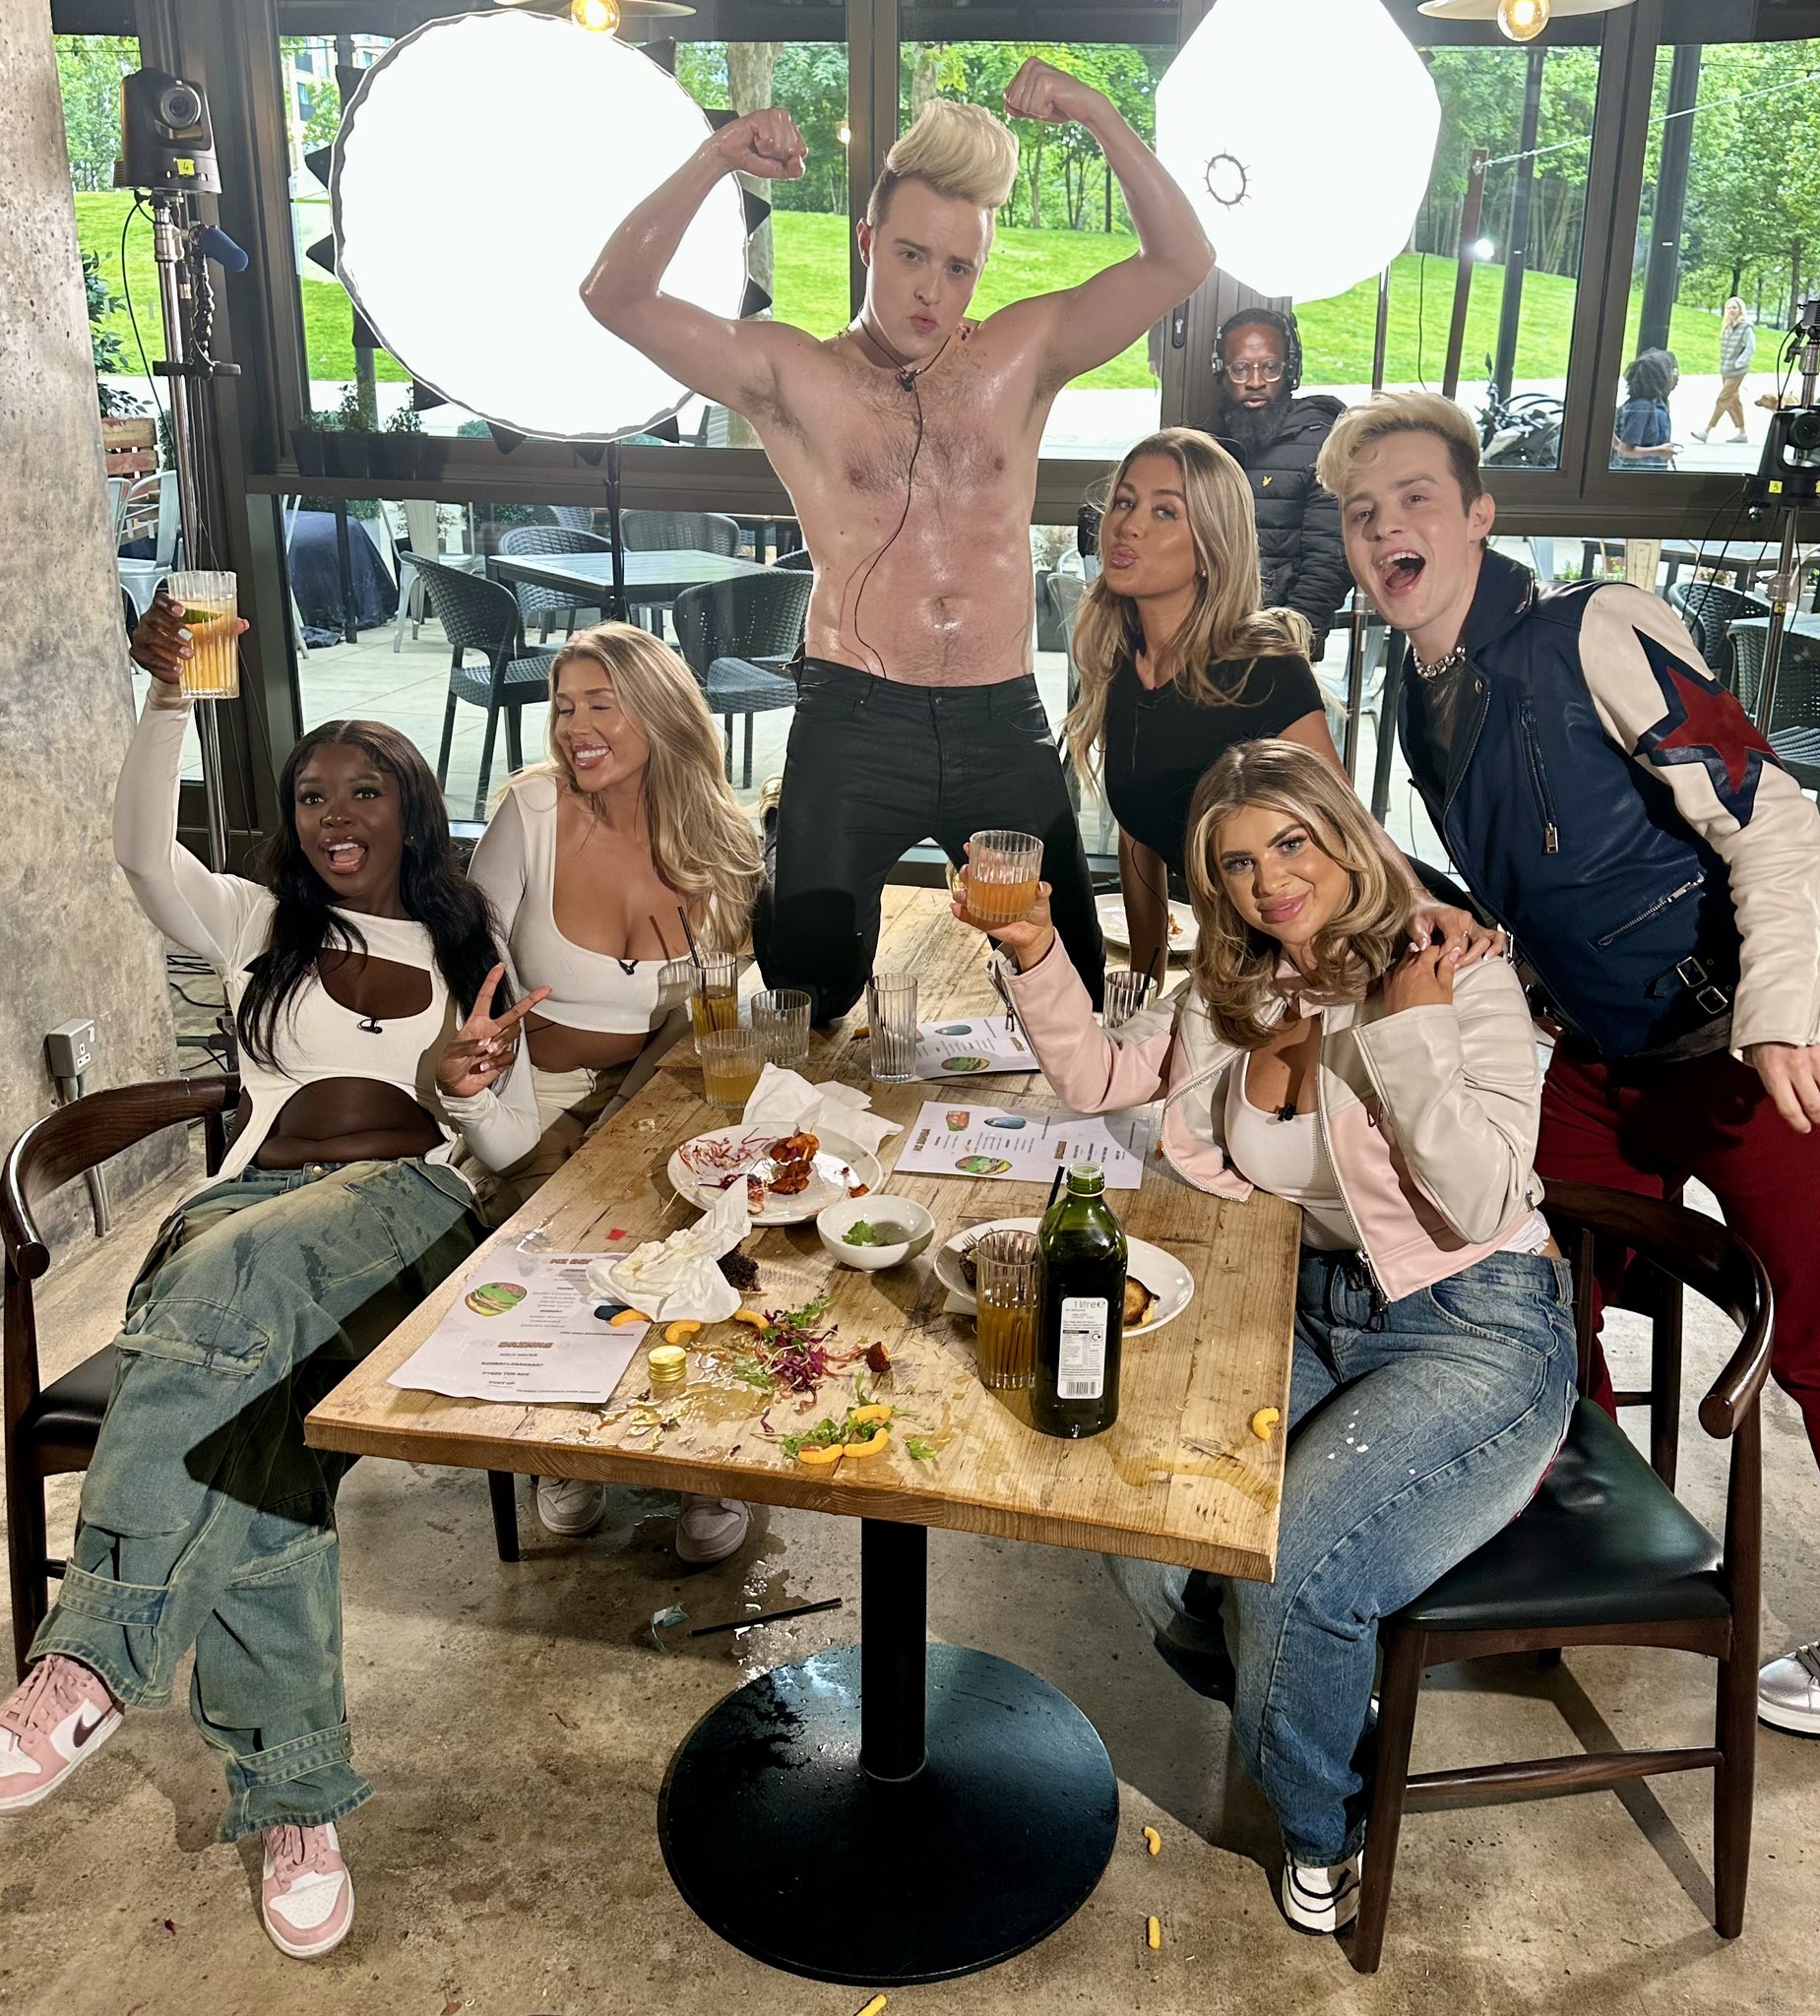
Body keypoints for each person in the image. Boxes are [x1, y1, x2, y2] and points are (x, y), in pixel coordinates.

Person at [1317, 390, 1820, 1740]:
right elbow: (1549, 865)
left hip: (1744, 1048)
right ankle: (1556, 1539)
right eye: (1360, 512)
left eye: (1413, 498)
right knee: (1523, 1281)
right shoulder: (1420, 689)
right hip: (1600, 1051)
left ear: (1478, 514)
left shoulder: (1597, 629)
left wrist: (1780, 1003)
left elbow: (1774, 822)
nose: (1386, 528)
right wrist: (1473, 929)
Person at [0, 596, 544, 1956]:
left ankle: (89, 1652)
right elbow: (141, 851)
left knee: (241, 1273)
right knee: (259, 1447)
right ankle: (298, 1801)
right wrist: (168, 698)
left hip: (407, 1224)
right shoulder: (254, 924)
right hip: (243, 1216)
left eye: (365, 790)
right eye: (310, 795)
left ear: (412, 810)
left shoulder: (466, 950)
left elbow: (511, 1145)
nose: (333, 814)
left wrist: (465, 1085)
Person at [968, 738, 1575, 1936]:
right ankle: (1295, 1685)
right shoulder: (1232, 992)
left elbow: (1481, 1201)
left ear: (1346, 835)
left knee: (1295, 1571)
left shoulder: (1454, 971)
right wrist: (1033, 947)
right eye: (1238, 863)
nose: (1269, 881)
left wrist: (1408, 1031)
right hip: (1307, 1302)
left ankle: (1322, 1818)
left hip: (1478, 1320)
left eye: (1291, 843)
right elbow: (1101, 1078)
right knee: (1142, 1516)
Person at [582, 66, 1214, 1024]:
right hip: (856, 719)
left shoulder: (1019, 356)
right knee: (809, 992)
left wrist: (1095, 113)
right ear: (867, 241)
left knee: (1074, 990)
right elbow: (614, 296)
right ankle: (789, 843)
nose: (931, 290)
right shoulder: (792, 374)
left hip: (999, 720)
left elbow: (1181, 259)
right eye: (912, 255)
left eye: (958, 268)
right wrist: (717, 157)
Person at [470, 622, 762, 1557]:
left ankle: (704, 1455)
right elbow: (466, 962)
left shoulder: (725, 837)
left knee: (727, 1230)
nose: (575, 727)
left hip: (672, 1093)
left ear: (662, 713)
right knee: (567, 1242)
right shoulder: (533, 811)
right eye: (564, 707)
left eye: (602, 704)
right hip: (547, 1093)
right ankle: (567, 1440)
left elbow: (736, 1003)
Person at [1063, 426, 1496, 990]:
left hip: (1368, 943)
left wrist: (1415, 900)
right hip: (1258, 960)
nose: (1129, 525)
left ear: (1210, 545)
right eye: (1125, 502)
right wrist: (1145, 985)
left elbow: (1345, 816)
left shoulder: (1260, 663)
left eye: (1164, 512)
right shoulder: (1121, 662)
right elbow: (1138, 831)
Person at [1207, 306, 1351, 652]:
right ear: (1221, 372)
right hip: (1210, 637)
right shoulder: (1211, 445)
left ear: (1290, 371)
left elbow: (1329, 562)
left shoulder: (1321, 446)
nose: (1256, 381)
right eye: (1241, 368)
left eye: (1270, 368)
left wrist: (1287, 643)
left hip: (1281, 645)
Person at [1692, 298, 1755, 445]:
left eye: (1735, 307)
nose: (1732, 310)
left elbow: (1750, 347)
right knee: (1733, 400)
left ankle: (1706, 431)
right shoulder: (1727, 327)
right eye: (1729, 308)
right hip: (1726, 370)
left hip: (1737, 371)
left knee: (1723, 399)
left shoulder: (1746, 327)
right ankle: (1742, 433)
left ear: (1740, 309)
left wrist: (1739, 363)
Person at [1610, 347, 1679, 471]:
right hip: (1634, 474)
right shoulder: (1642, 408)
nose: (1675, 375)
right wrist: (1659, 451)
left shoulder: (1657, 403)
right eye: (1671, 371)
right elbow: (1625, 450)